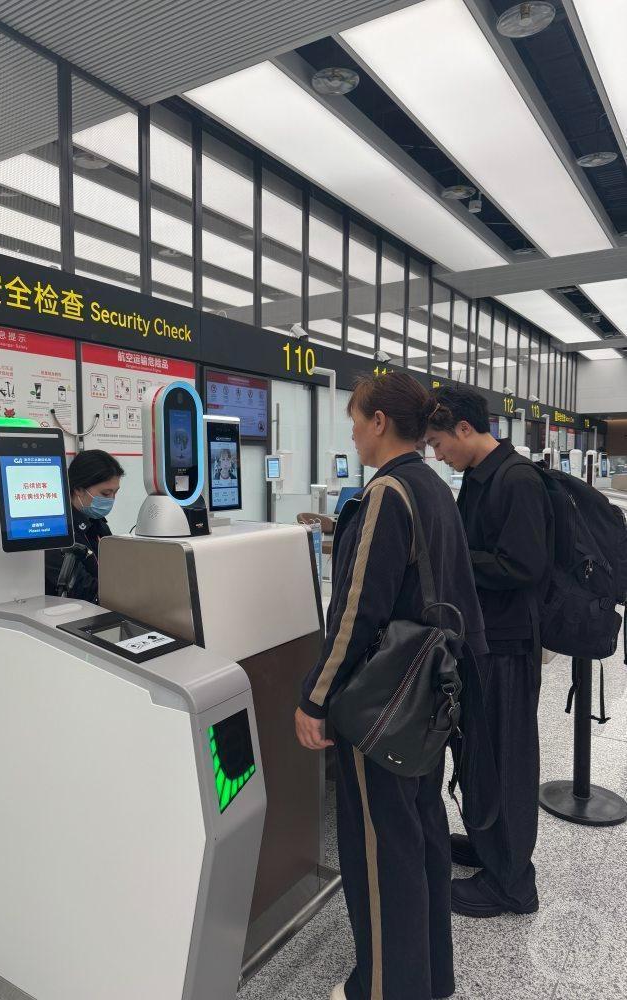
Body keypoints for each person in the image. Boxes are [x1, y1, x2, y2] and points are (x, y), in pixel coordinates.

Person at [295, 372, 487, 1000]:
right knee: (422, 836)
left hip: (383, 705)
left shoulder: (386, 493)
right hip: (427, 700)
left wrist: (315, 698)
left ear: (379, 421)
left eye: (356, 419)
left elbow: (356, 614)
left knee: (380, 853)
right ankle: (429, 978)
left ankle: (383, 987)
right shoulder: (434, 488)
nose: (352, 432)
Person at [426, 386, 552, 918]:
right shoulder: (479, 480)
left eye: (438, 443)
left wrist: (453, 556)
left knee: (507, 758)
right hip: (483, 642)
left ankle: (513, 883)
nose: (437, 454)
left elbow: (524, 566)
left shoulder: (516, 480)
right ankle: (489, 846)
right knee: (480, 753)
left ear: (463, 428)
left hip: (508, 646)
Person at [45, 449, 124, 603]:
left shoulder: (98, 523)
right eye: (106, 494)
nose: (112, 499)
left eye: (115, 492)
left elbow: (115, 570)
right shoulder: (57, 531)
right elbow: (81, 590)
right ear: (79, 489)